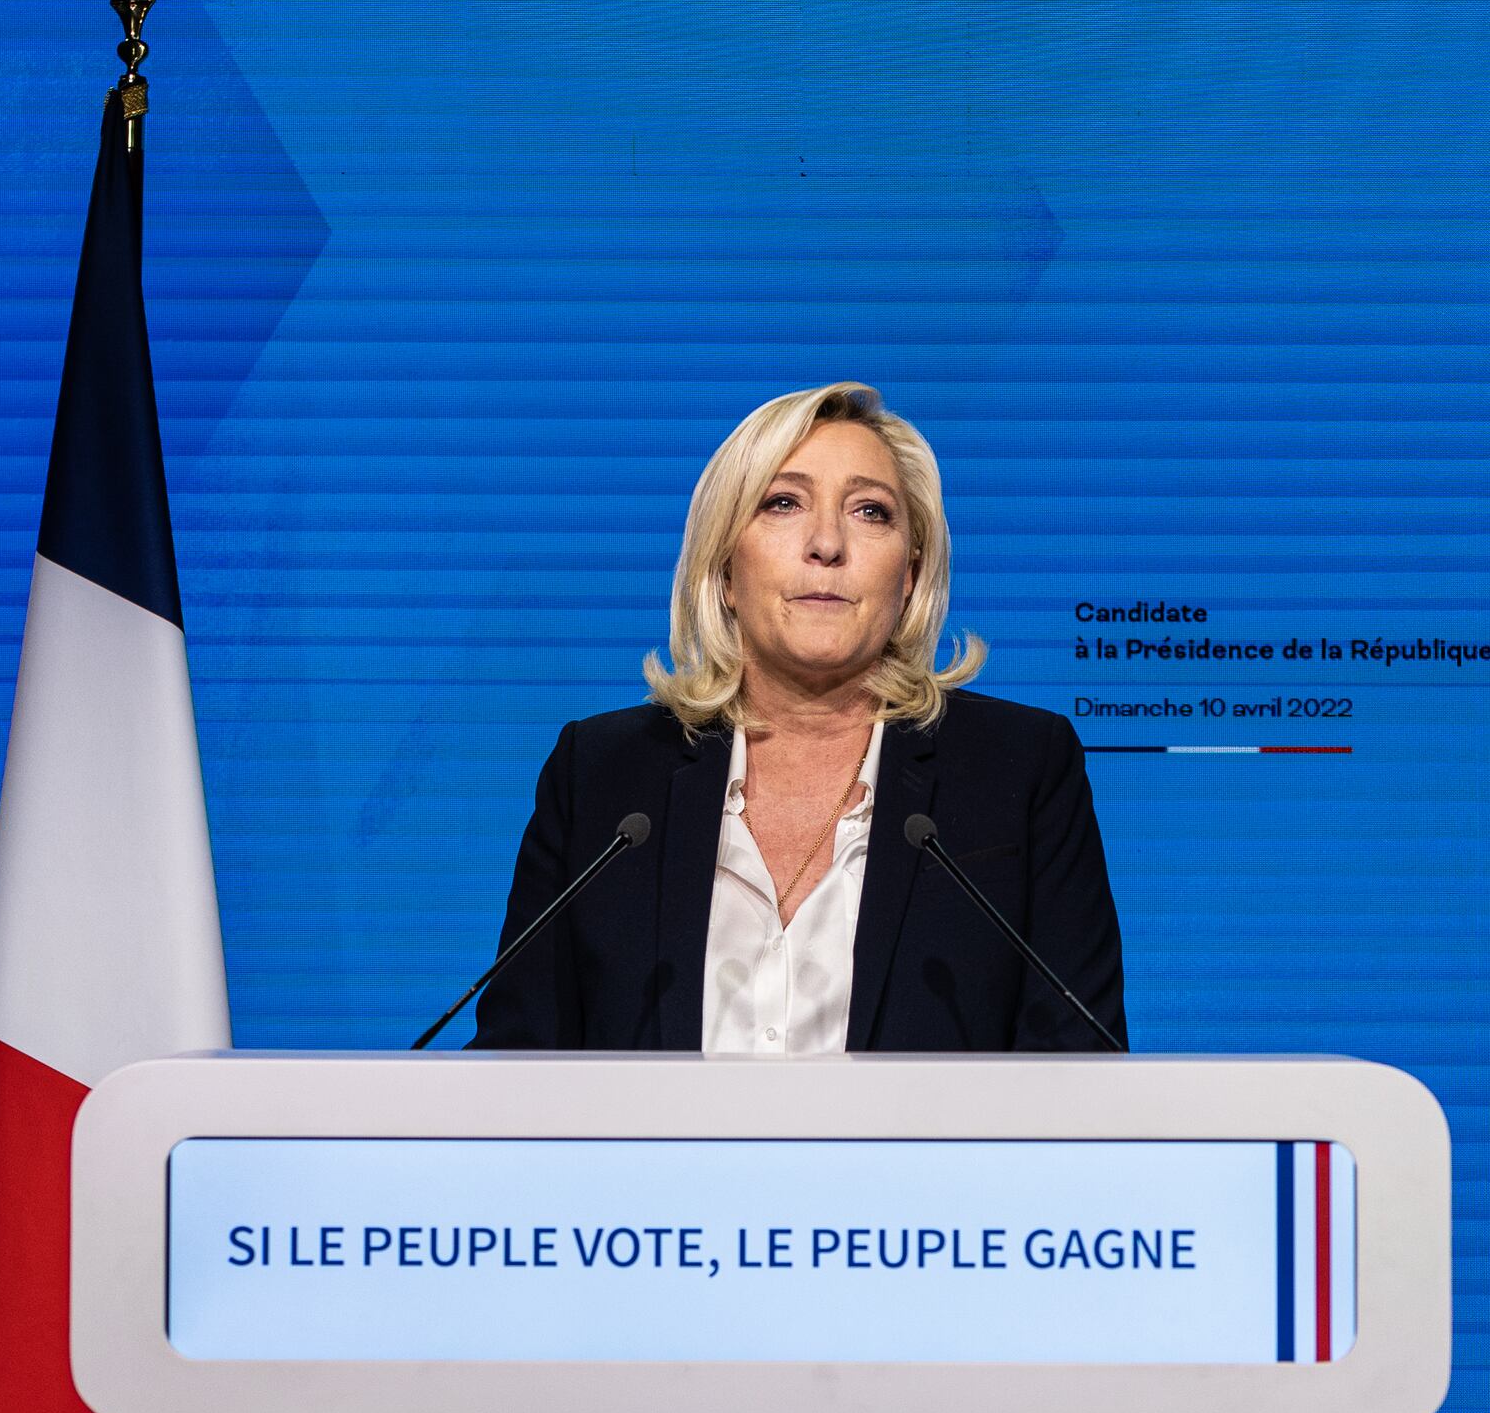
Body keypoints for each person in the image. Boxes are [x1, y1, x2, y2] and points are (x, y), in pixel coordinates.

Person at [469, 381, 1122, 1054]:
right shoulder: (602, 776)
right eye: (783, 503)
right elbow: (513, 1071)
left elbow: (1082, 1076)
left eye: (871, 511)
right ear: (724, 565)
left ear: (909, 575)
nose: (827, 543)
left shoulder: (1018, 769)